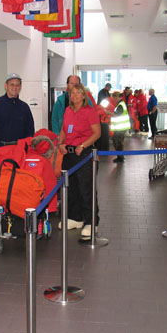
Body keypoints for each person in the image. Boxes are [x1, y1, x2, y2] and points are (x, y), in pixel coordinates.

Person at [58, 83, 101, 238]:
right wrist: (60, 144)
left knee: (86, 188)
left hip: (84, 154)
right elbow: (63, 129)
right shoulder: (68, 110)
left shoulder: (89, 112)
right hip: (68, 155)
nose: (75, 95)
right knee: (71, 187)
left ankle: (91, 222)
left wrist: (83, 145)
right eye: (72, 93)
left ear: (84, 96)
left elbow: (97, 133)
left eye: (78, 93)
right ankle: (75, 218)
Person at [0, 73, 35, 148]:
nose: (15, 87)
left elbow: (30, 130)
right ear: (6, 86)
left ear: (20, 87)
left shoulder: (24, 107)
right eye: (12, 85)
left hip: (20, 150)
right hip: (0, 149)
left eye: (17, 85)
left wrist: (25, 146)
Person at [108, 91, 131, 163]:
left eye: (114, 98)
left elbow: (116, 115)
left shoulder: (120, 105)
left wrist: (108, 113)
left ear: (116, 97)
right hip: (121, 127)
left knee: (117, 142)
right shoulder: (121, 104)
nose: (113, 100)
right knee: (119, 142)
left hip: (120, 127)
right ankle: (120, 156)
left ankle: (120, 157)